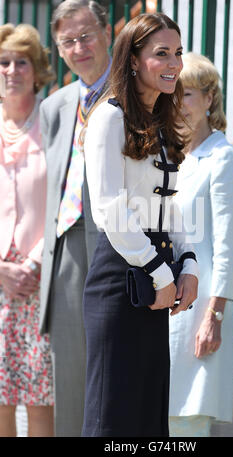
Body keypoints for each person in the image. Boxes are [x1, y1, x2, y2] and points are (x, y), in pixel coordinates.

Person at [81, 13, 199, 437]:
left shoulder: (159, 121)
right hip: (121, 279)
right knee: (111, 417)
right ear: (133, 60)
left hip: (155, 275)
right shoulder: (109, 118)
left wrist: (188, 265)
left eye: (178, 53)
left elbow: (169, 206)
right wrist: (159, 271)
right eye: (161, 53)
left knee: (148, 419)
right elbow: (110, 208)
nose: (174, 63)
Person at [38, 0, 111, 437]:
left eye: (86, 35)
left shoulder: (133, 93)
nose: (78, 47)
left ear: (106, 33)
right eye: (68, 41)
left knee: (114, 374)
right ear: (59, 50)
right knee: (68, 377)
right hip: (65, 247)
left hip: (116, 247)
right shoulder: (55, 105)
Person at [168, 53, 233, 437]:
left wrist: (214, 317)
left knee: (188, 422)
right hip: (161, 304)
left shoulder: (221, 155)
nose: (179, 104)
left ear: (210, 99)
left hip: (199, 312)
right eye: (174, 94)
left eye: (190, 94)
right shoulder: (162, 154)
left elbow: (230, 243)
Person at [0, 23, 55, 437]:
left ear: (37, 71)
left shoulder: (54, 125)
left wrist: (34, 263)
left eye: (22, 61)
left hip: (43, 281)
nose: (11, 70)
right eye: (3, 62)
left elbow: (68, 203)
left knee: (40, 400)